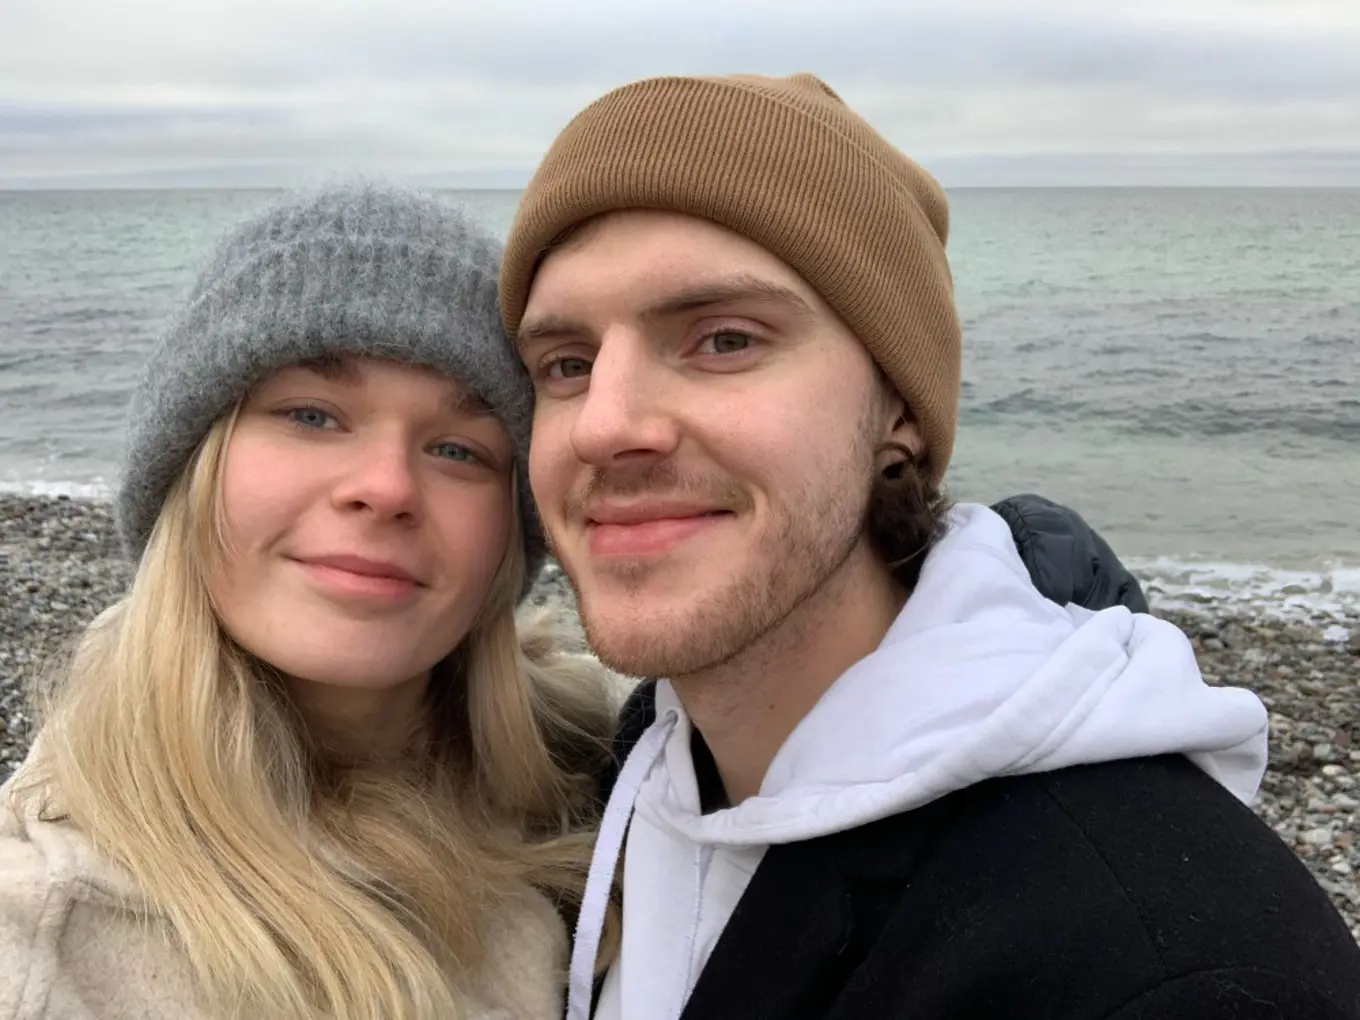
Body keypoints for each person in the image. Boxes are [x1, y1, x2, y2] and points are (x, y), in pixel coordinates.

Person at [499, 73, 1360, 1019]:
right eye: (567, 365)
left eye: (725, 340)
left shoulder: (1166, 971)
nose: (605, 425)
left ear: (901, 411)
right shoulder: (650, 766)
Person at [0, 183, 620, 1020]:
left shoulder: (623, 760)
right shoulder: (46, 932)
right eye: (312, 415)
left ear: (509, 539)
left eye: (457, 448)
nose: (386, 487)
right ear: (191, 469)